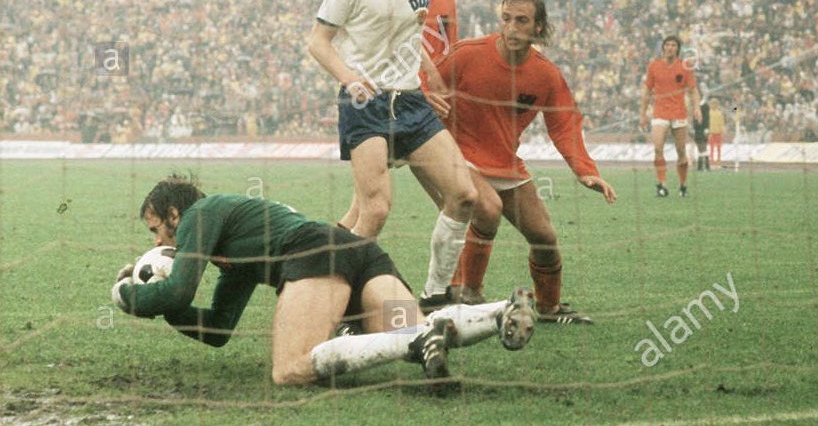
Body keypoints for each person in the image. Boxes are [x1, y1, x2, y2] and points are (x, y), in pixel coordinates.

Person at [110, 175, 537, 387]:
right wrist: (169, 311)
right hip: (356, 251)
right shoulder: (233, 250)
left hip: (314, 253)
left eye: (156, 230)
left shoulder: (201, 215)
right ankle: (499, 313)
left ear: (173, 215)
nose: (158, 241)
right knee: (413, 330)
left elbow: (180, 288)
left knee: (290, 368)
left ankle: (412, 341)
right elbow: (219, 329)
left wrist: (130, 295)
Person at [306, 0, 478, 308]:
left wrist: (431, 77)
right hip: (364, 104)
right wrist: (349, 79)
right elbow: (318, 41)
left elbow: (409, 34)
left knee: (465, 195)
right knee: (376, 210)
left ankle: (435, 294)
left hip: (411, 101)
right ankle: (340, 304)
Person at [433, 0, 617, 323]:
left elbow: (564, 125)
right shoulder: (467, 54)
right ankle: (468, 294)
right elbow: (427, 84)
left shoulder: (545, 75)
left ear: (538, 28)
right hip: (458, 156)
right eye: (506, 19)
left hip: (505, 163)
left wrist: (585, 170)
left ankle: (549, 309)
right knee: (487, 209)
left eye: (522, 21)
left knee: (544, 236)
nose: (512, 28)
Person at [638, 36, 702, 198]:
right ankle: (661, 185)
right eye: (667, 45)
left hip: (679, 113)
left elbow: (693, 90)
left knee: (681, 151)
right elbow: (646, 91)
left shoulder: (685, 67)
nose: (670, 48)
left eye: (673, 45)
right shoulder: (654, 66)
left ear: (678, 48)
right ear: (663, 47)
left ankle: (683, 186)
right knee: (658, 148)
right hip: (660, 113)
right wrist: (643, 113)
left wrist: (697, 108)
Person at [708, 100, 725, 168]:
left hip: (718, 133)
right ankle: (711, 162)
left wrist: (722, 131)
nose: (713, 105)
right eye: (712, 104)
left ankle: (718, 161)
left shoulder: (719, 113)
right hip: (711, 133)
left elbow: (722, 123)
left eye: (715, 104)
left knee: (718, 148)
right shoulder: (708, 113)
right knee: (711, 148)